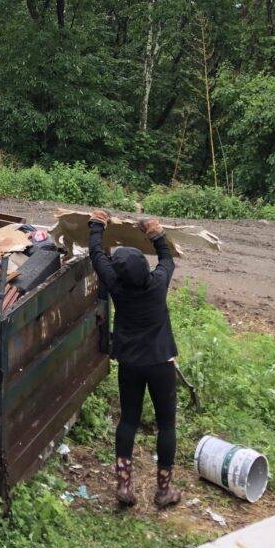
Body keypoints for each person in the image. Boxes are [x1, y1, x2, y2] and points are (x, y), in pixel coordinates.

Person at [88, 208, 181, 509]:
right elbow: (167, 259)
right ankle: (164, 490)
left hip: (130, 363)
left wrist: (96, 225)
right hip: (161, 362)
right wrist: (155, 234)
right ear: (144, 268)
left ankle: (125, 486)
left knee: (128, 420)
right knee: (167, 425)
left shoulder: (116, 286)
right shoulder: (157, 284)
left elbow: (96, 256)